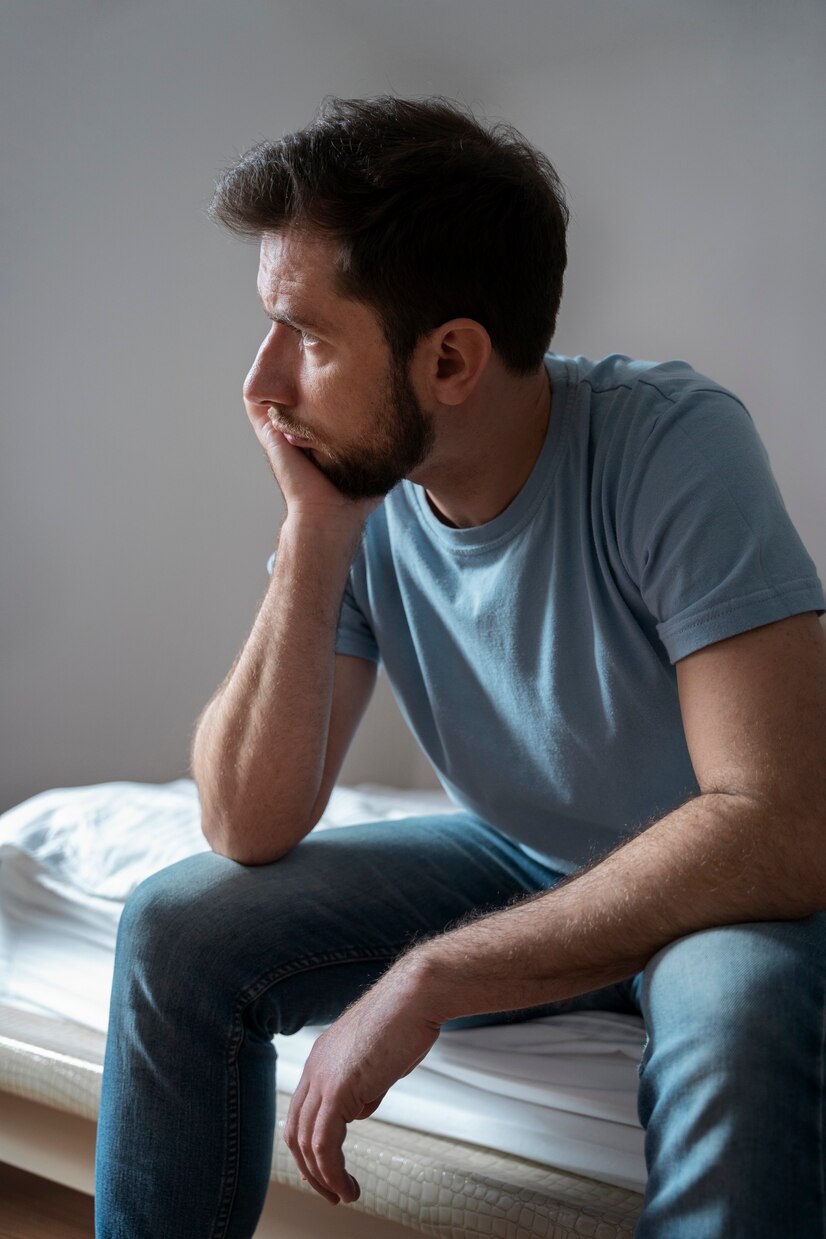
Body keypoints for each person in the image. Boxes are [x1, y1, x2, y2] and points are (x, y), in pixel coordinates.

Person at [94, 96, 826, 1238]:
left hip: (720, 887)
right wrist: (315, 538)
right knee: (177, 928)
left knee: (734, 1010)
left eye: (310, 337)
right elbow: (246, 821)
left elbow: (781, 821)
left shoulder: (668, 443)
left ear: (450, 359)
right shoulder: (361, 489)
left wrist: (432, 977)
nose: (263, 384)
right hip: (517, 856)